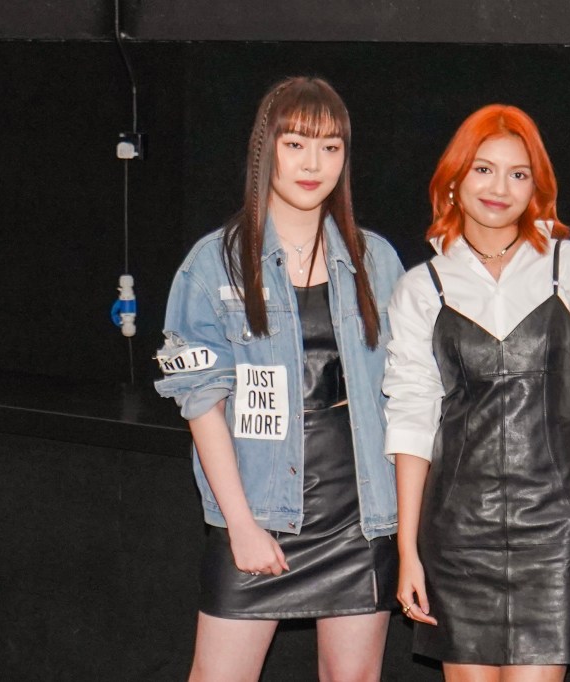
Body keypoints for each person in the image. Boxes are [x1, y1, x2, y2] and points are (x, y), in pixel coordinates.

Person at [154, 76, 405, 682]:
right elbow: (201, 404)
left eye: (330, 147)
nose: (313, 164)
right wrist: (241, 526)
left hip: (359, 515)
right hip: (258, 508)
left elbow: (409, 394)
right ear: (265, 150)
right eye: (295, 145)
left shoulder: (376, 260)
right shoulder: (213, 262)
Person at [383, 104, 570, 681]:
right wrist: (407, 551)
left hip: (555, 528)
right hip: (456, 533)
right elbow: (412, 419)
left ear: (536, 188)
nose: (500, 188)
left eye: (518, 174)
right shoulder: (421, 287)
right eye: (484, 169)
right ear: (454, 180)